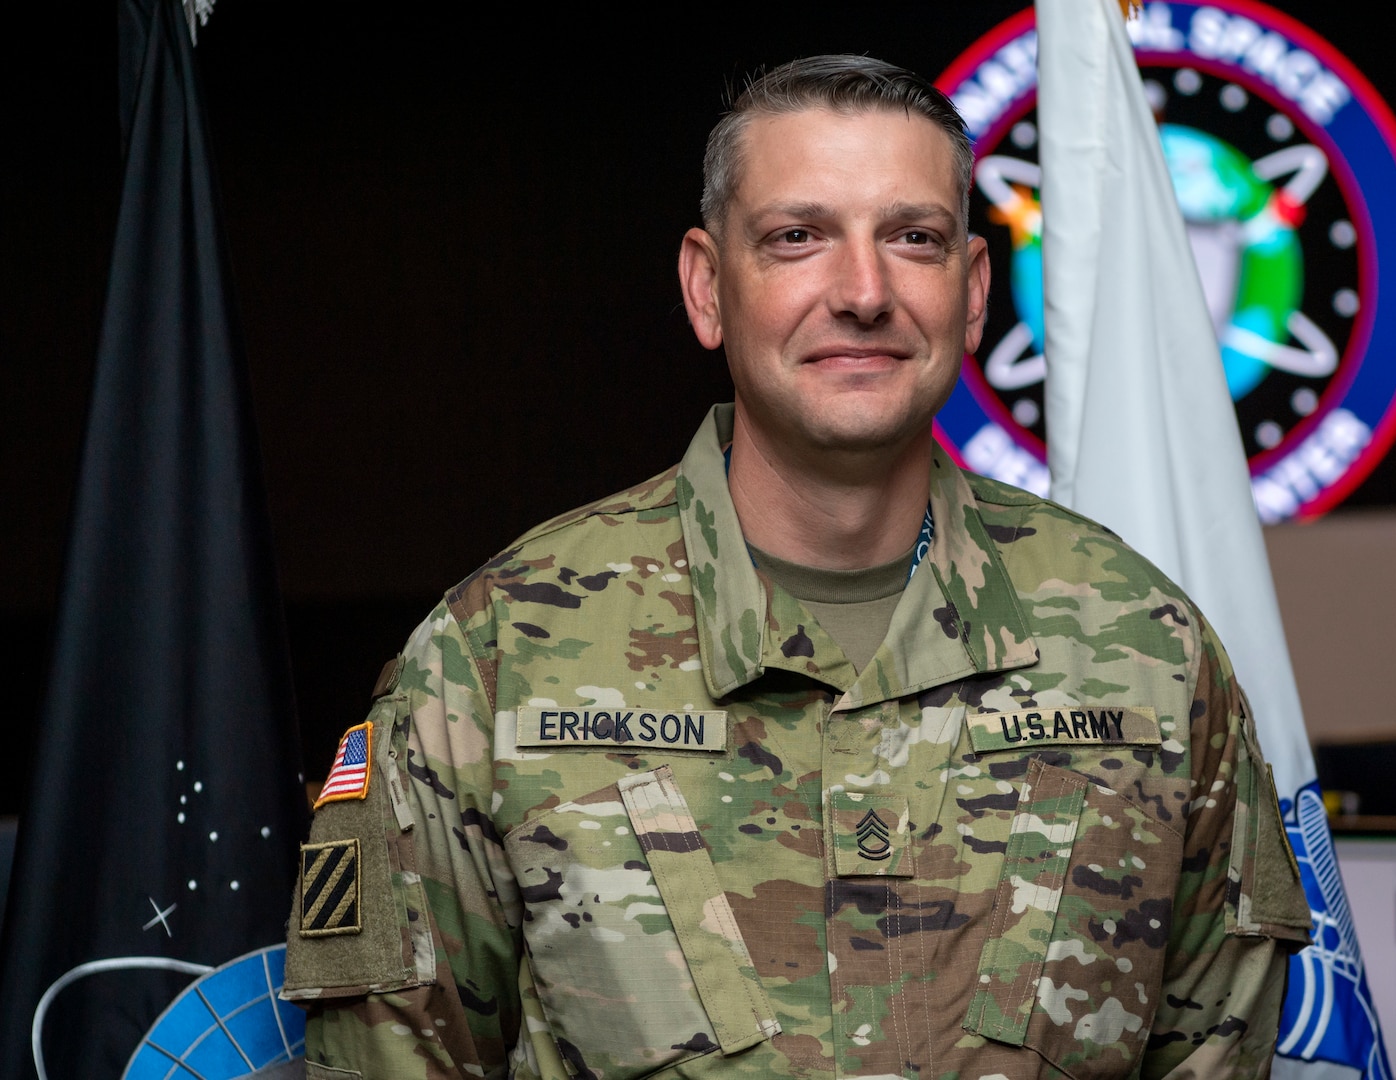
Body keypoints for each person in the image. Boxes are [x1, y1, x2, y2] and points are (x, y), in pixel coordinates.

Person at [283, 54, 1312, 1080]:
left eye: (914, 238)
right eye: (797, 238)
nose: (863, 292)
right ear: (707, 286)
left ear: (972, 292)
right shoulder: (498, 655)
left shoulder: (1146, 649)